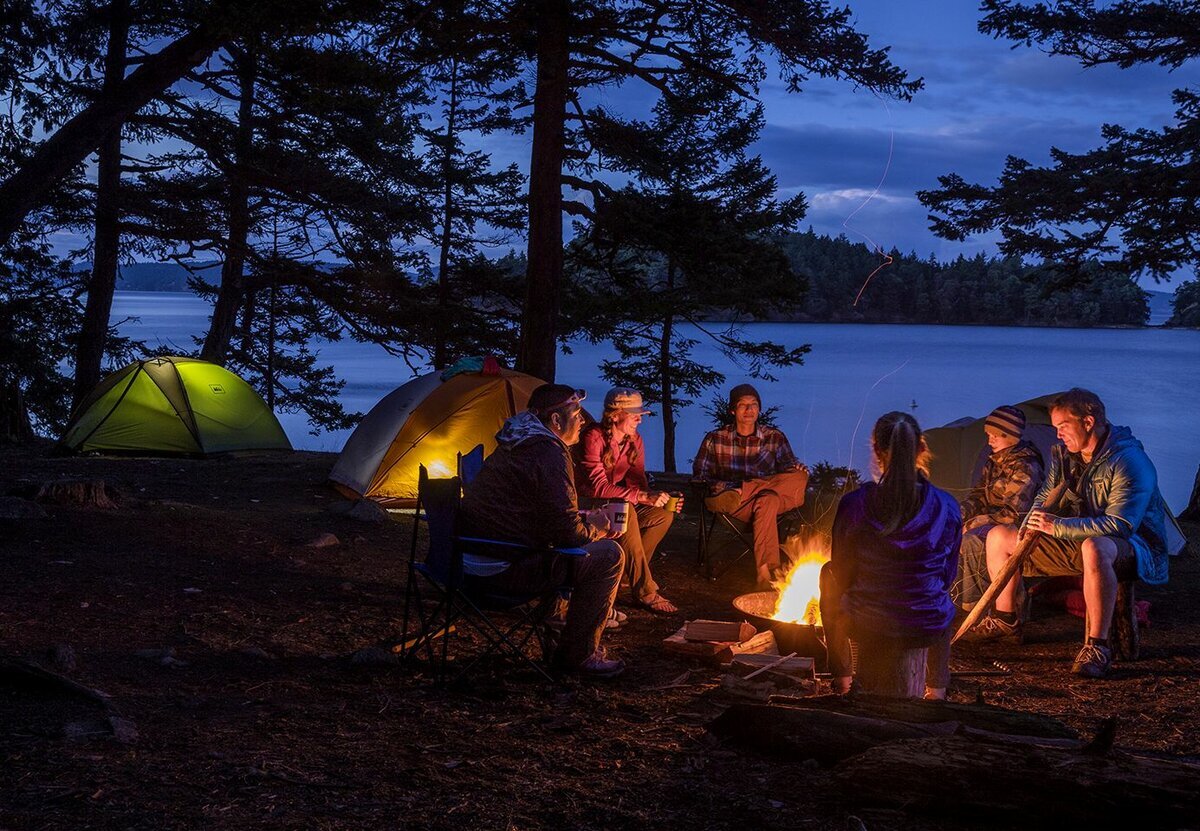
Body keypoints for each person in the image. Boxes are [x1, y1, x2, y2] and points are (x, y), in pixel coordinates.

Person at [963, 388, 1171, 679]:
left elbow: (1120, 526)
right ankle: (1006, 620)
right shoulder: (1067, 456)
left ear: (1088, 422)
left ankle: (1097, 646)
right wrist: (1031, 524)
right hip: (1079, 537)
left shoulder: (1129, 461)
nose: (1058, 434)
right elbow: (1046, 494)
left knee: (1096, 547)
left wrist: (1056, 526)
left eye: (1063, 426)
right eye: (1056, 427)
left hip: (1133, 547)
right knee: (999, 536)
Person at [458, 384, 626, 679]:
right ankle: (578, 655)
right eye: (576, 413)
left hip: (469, 559)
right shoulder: (547, 452)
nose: (583, 420)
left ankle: (560, 636)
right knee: (608, 555)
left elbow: (542, 512)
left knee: (566, 552)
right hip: (502, 571)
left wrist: (580, 521)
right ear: (556, 422)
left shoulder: (516, 442)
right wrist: (597, 527)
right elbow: (569, 535)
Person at [819, 412, 960, 699]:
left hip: (869, 626)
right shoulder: (947, 506)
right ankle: (937, 690)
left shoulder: (855, 505)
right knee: (939, 591)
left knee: (827, 574)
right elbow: (948, 574)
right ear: (921, 449)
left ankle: (843, 681)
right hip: (927, 626)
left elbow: (842, 573)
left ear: (877, 451)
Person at [574, 387, 679, 614]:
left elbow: (637, 483)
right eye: (634, 414)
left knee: (662, 516)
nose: (639, 419)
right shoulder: (593, 437)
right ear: (615, 415)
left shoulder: (634, 440)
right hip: (585, 504)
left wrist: (658, 498)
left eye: (640, 414)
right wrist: (640, 497)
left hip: (615, 503)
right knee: (626, 509)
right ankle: (644, 590)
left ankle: (626, 575)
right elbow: (597, 487)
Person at [693, 383, 809, 588]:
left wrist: (797, 469)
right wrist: (718, 486)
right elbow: (700, 477)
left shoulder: (775, 437)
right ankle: (767, 574)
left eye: (754, 404)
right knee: (768, 500)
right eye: (743, 405)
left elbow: (789, 473)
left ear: (759, 408)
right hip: (736, 505)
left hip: (744, 494)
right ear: (732, 410)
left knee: (799, 478)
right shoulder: (715, 438)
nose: (749, 410)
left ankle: (742, 489)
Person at [954, 405, 1045, 610]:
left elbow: (1014, 514)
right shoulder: (994, 461)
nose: (990, 440)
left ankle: (978, 605)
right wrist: (958, 515)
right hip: (993, 521)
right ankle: (959, 598)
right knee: (953, 531)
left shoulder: (1026, 466)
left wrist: (973, 523)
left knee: (972, 540)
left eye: (996, 435)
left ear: (1011, 435)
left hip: (1017, 527)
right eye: (988, 435)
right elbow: (979, 496)